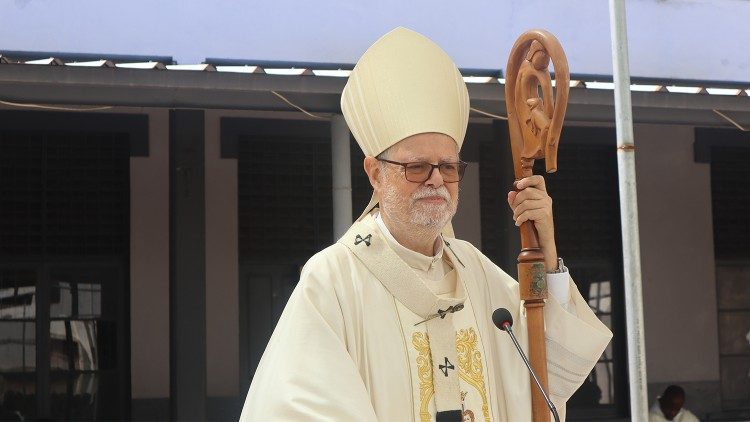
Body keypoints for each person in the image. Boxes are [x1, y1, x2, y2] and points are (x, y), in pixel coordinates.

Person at [239, 27, 612, 421]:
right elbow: (299, 407)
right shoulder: (333, 280)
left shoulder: (477, 272)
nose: (437, 180)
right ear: (375, 173)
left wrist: (547, 255)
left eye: (449, 167)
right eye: (416, 167)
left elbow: (546, 372)